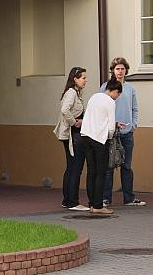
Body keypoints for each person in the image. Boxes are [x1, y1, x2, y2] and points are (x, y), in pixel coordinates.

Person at [100, 57, 145, 207]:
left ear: (126, 70)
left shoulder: (130, 89)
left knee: (126, 165)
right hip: (110, 132)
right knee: (109, 165)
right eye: (117, 69)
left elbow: (135, 108)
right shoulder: (106, 86)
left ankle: (129, 197)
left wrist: (133, 124)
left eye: (122, 69)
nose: (120, 71)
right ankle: (106, 197)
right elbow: (101, 107)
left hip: (127, 131)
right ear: (113, 70)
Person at [79, 78, 122, 214]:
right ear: (115, 91)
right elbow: (110, 127)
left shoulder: (94, 96)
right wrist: (109, 138)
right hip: (99, 139)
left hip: (85, 135)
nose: (117, 97)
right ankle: (98, 206)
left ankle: (92, 203)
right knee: (100, 172)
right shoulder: (110, 102)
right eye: (118, 94)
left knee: (91, 171)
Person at [53, 66, 88, 211]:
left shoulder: (75, 93)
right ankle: (73, 201)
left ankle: (67, 199)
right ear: (75, 79)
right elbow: (64, 110)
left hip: (72, 133)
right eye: (83, 78)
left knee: (71, 166)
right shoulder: (72, 92)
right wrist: (75, 122)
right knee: (75, 167)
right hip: (73, 133)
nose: (86, 81)